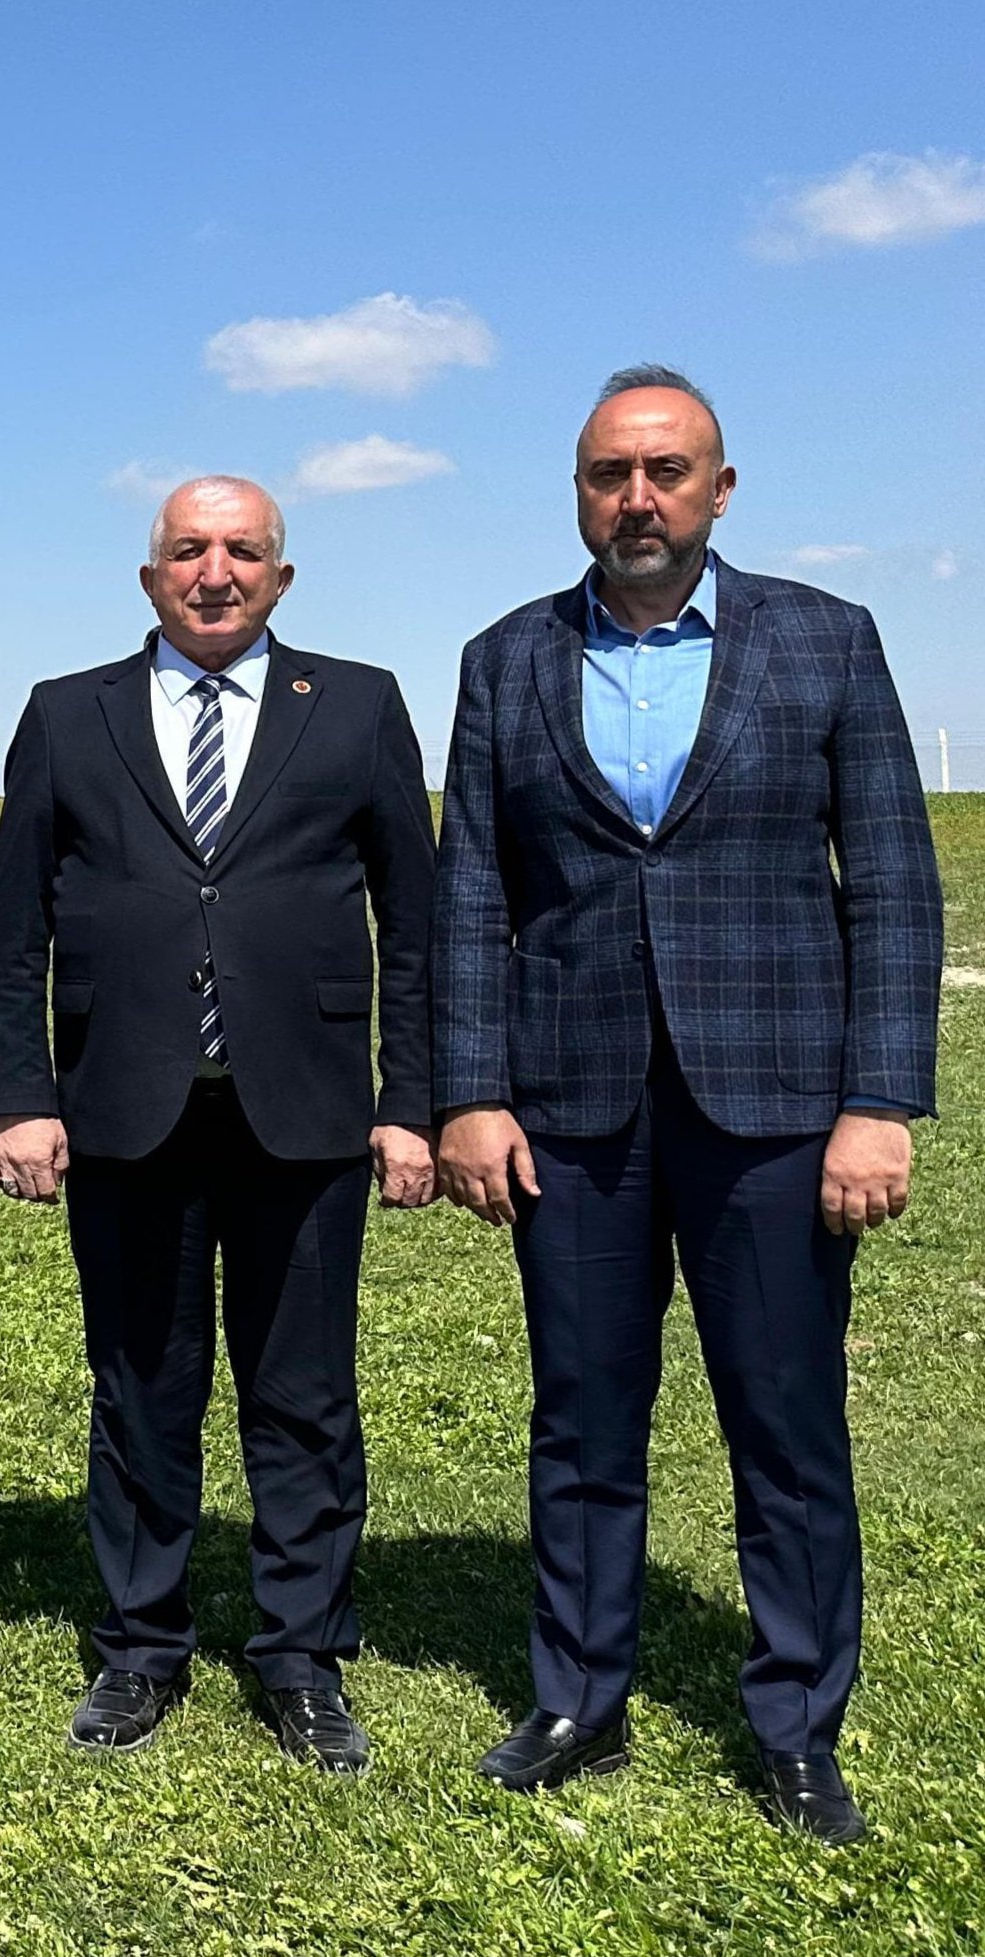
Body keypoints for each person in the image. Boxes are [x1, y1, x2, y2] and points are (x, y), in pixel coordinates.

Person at [433, 367, 940, 1844]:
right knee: (582, 1418)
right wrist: (470, 1091)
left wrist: (880, 1100)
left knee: (784, 1423)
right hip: (573, 1112)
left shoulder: (823, 641)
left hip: (776, 1106)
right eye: (609, 473)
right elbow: (473, 891)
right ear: (577, 491)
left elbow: (896, 885)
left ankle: (794, 1724)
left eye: (667, 470)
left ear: (721, 488)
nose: (636, 497)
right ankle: (579, 1697)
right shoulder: (506, 657)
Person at [0, 479, 436, 1771]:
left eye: (244, 551)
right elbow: (13, 934)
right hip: (127, 1108)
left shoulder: (355, 705)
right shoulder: (70, 716)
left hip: (306, 1114)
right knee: (140, 1389)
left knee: (302, 1396)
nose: (216, 571)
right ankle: (140, 1646)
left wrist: (410, 1105)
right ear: (150, 578)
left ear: (283, 578)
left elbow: (416, 922)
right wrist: (18, 1093)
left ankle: (301, 1657)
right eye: (189, 550)